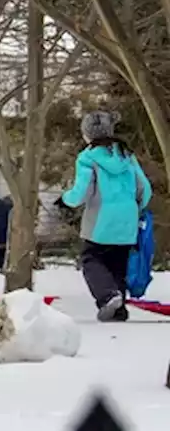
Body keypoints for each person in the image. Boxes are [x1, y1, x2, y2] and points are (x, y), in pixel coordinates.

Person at [57, 110, 152, 322]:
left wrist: (66, 199)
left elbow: (81, 193)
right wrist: (136, 209)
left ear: (88, 135)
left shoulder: (87, 158)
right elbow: (144, 188)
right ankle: (118, 311)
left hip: (100, 221)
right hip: (127, 221)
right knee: (117, 265)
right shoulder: (127, 155)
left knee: (91, 259)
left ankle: (108, 297)